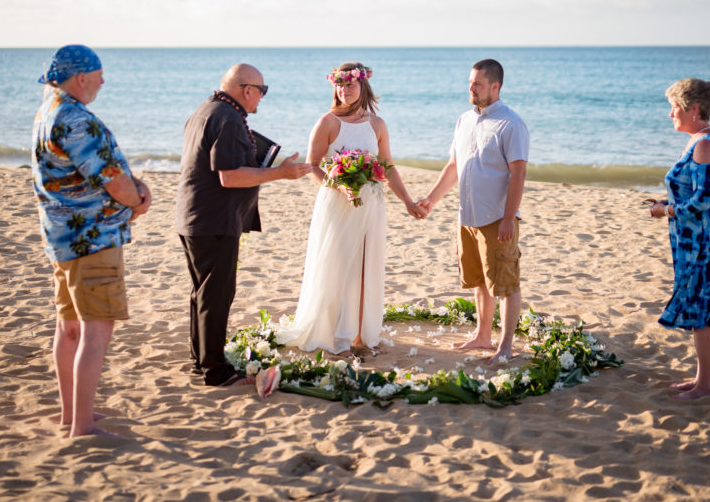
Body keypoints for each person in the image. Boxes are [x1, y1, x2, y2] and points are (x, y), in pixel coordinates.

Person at [32, 44, 152, 438]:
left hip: (62, 238)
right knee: (95, 331)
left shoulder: (49, 110)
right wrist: (139, 198)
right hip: (91, 240)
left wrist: (132, 189)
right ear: (81, 77)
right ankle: (82, 427)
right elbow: (113, 181)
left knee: (68, 328)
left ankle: (72, 414)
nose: (103, 80)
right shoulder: (74, 118)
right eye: (99, 74)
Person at [175, 63, 311, 386]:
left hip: (193, 216)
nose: (262, 98)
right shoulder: (229, 118)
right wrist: (279, 172)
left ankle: (201, 360)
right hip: (214, 219)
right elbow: (229, 175)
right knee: (217, 294)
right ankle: (215, 370)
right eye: (261, 91)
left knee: (203, 292)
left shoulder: (205, 110)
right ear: (246, 89)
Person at [277, 63, 425, 356]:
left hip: (371, 203)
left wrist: (408, 202)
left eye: (350, 84)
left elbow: (388, 167)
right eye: (340, 85)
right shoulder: (327, 122)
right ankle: (337, 336)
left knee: (366, 265)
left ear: (363, 87)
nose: (344, 90)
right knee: (339, 265)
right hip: (337, 203)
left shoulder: (377, 125)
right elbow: (313, 167)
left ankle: (361, 335)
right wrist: (338, 185)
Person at [418, 59, 529, 364]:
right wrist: (431, 199)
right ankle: (483, 335)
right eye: (470, 82)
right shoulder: (464, 120)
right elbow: (454, 166)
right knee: (479, 280)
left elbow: (518, 174)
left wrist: (509, 217)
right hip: (466, 216)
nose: (471, 88)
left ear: (496, 86)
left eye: (478, 83)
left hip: (497, 217)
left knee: (505, 283)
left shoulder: (511, 123)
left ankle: (505, 346)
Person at [645, 78, 710, 400]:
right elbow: (691, 193)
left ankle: (705, 386)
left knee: (702, 312)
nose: (671, 114)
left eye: (675, 107)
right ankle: (700, 380)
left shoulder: (705, 145)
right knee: (699, 311)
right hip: (694, 240)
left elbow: (704, 201)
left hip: (707, 241)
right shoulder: (698, 141)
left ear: (694, 109)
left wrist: (666, 210)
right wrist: (665, 203)